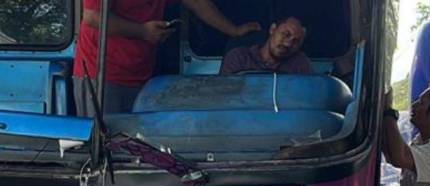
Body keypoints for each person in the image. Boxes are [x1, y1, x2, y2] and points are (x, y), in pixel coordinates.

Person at [74, 0, 261, 116]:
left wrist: (233, 30)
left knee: (137, 150)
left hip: (142, 74)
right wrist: (142, 31)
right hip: (101, 74)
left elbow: (197, 2)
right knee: (105, 149)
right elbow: (92, 17)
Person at [220, 17, 312, 75]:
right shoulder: (239, 57)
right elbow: (225, 95)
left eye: (296, 41)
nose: (288, 43)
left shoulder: (300, 63)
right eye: (286, 34)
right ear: (272, 29)